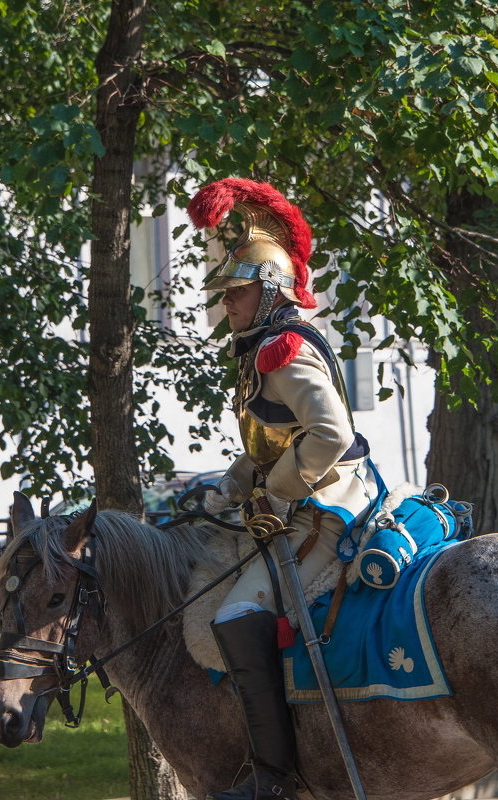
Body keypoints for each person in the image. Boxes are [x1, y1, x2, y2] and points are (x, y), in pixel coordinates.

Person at [187, 177, 385, 800]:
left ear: (269, 290)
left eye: (237, 293)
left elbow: (329, 433)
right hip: (294, 501)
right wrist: (234, 482)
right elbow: (275, 435)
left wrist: (273, 492)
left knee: (238, 614)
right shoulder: (260, 350)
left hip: (323, 509)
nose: (228, 306)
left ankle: (275, 776)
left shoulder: (284, 350)